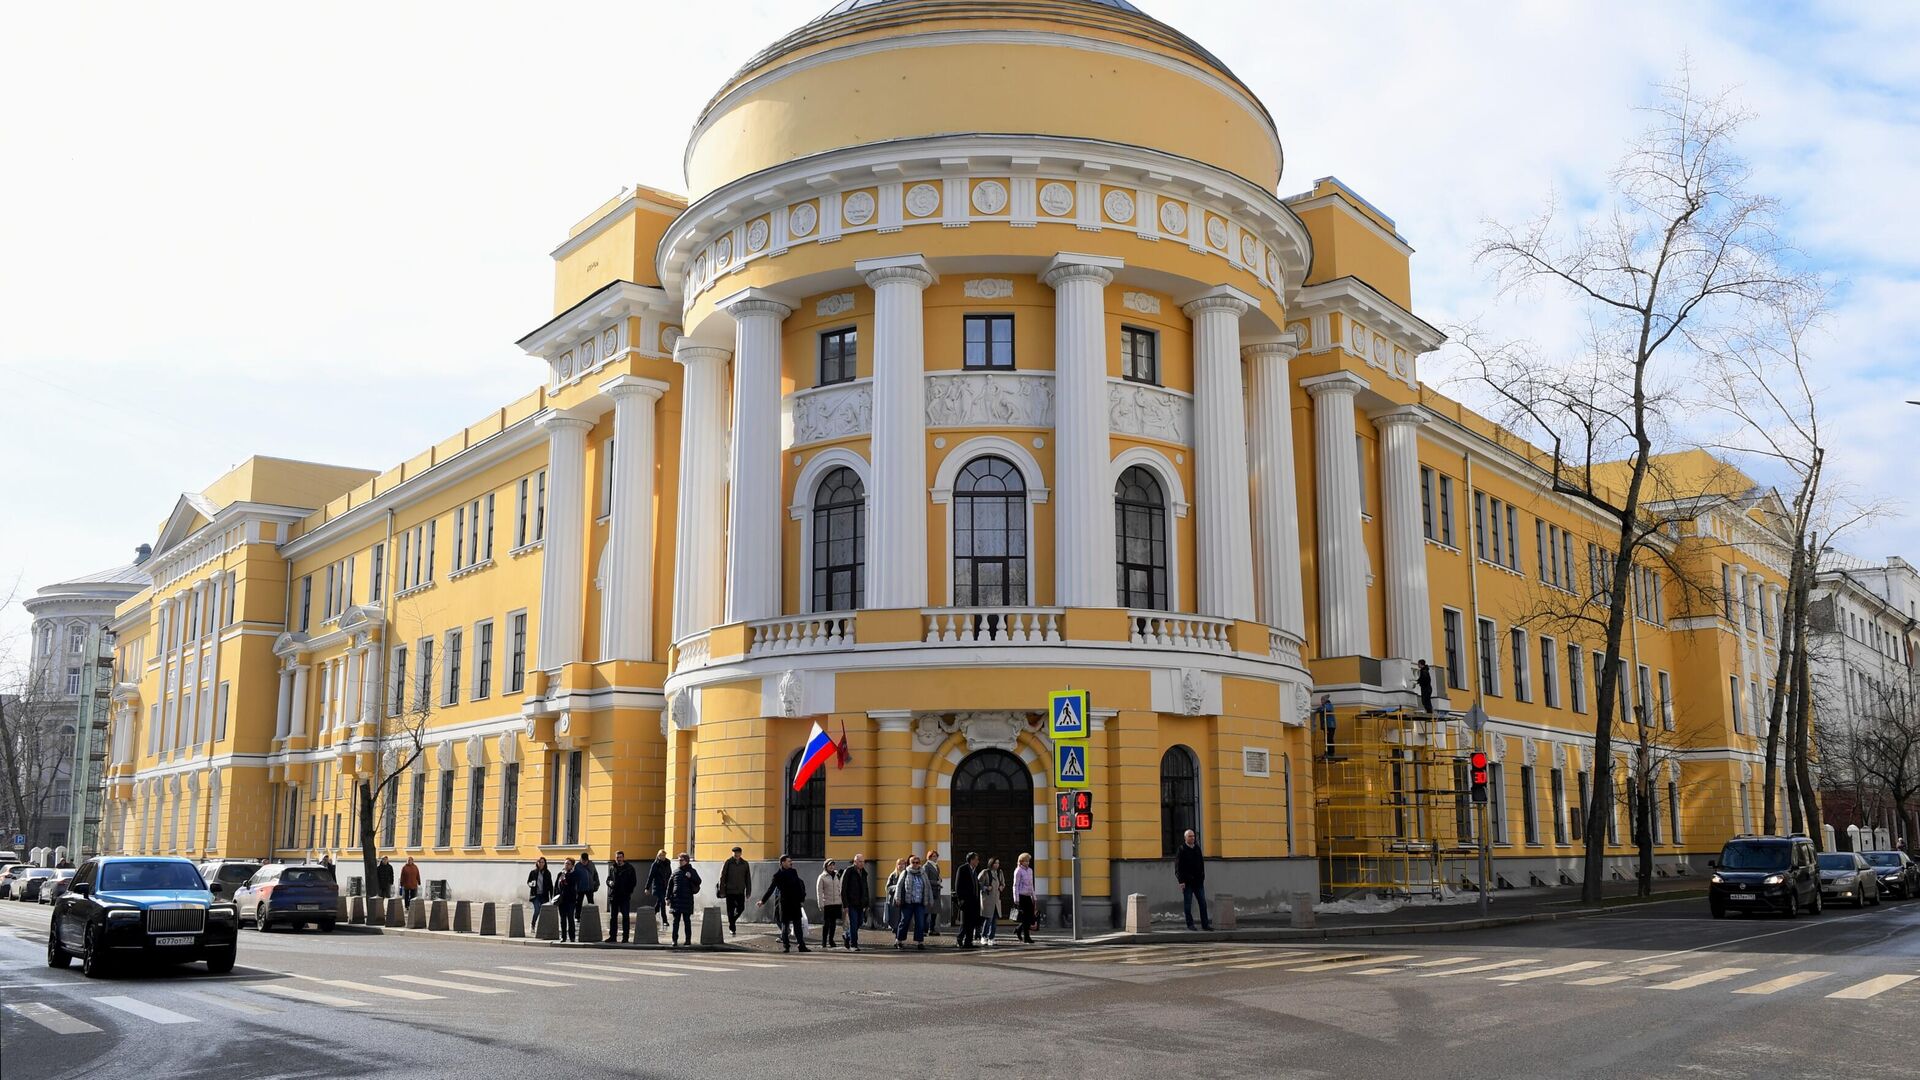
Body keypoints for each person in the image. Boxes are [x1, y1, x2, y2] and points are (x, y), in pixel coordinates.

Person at [758, 854, 810, 953]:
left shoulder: (793, 872)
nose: (791, 863)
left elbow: (798, 886)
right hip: (785, 903)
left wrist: (801, 899)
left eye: (791, 861)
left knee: (798, 926)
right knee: (785, 926)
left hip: (795, 902)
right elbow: (771, 889)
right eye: (789, 861)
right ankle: (786, 946)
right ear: (783, 862)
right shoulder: (777, 875)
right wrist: (763, 901)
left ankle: (801, 946)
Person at [1175, 828, 1212, 931]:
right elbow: (1178, 867)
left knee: (1203, 903)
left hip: (1198, 882)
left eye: (1193, 836)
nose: (1192, 838)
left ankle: (1205, 925)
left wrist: (1202, 876)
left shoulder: (1197, 848)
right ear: (1185, 838)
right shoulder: (1182, 849)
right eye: (1190, 836)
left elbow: (1201, 864)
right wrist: (1181, 881)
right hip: (1187, 882)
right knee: (1188, 904)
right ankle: (1190, 924)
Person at [892, 853, 931, 950]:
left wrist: (930, 899)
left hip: (920, 903)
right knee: (904, 921)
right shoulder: (905, 872)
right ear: (910, 863)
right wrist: (897, 898)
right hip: (908, 902)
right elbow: (899, 886)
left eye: (917, 862)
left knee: (920, 922)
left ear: (919, 863)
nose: (915, 864)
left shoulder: (923, 873)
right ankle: (899, 941)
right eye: (913, 862)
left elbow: (928, 886)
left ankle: (920, 942)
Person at [667, 853, 701, 947]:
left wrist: (691, 877)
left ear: (686, 861)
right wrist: (668, 898)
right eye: (679, 860)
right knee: (675, 922)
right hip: (676, 900)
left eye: (681, 860)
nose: (680, 862)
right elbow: (670, 886)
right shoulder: (676, 872)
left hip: (687, 900)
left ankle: (688, 940)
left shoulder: (692, 871)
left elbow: (699, 881)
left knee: (687, 921)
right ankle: (674, 940)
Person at [606, 850, 639, 943]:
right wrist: (609, 883)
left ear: (623, 858)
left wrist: (628, 892)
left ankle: (625, 938)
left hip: (624, 896)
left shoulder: (629, 868)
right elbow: (608, 879)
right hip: (614, 896)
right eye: (617, 857)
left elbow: (633, 882)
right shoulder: (612, 867)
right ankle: (613, 937)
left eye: (620, 857)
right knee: (613, 917)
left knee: (625, 917)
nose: (619, 859)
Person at [840, 854, 870, 951]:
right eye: (860, 861)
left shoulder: (864, 873)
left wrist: (867, 903)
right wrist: (845, 904)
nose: (862, 863)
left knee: (859, 922)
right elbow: (843, 889)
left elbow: (866, 889)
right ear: (855, 862)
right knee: (853, 923)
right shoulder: (849, 871)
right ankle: (854, 944)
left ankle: (847, 935)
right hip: (851, 903)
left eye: (863, 862)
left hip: (861, 903)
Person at [720, 846, 753, 935]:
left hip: (740, 890)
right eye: (734, 853)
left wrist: (748, 891)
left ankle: (732, 920)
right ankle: (732, 928)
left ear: (741, 853)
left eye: (738, 853)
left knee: (741, 908)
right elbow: (722, 876)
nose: (736, 854)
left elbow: (748, 878)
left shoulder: (745, 864)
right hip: (730, 890)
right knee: (730, 910)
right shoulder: (728, 862)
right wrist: (722, 891)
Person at [953, 852, 981, 948]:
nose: (978, 861)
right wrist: (960, 899)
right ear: (971, 860)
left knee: (972, 922)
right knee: (965, 922)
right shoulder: (963, 869)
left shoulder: (974, 870)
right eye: (976, 859)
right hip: (965, 900)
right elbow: (958, 885)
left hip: (974, 901)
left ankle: (968, 941)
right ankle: (960, 938)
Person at [816, 859, 843, 950]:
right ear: (826, 866)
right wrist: (820, 904)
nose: (832, 867)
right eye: (830, 865)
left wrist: (841, 901)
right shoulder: (822, 877)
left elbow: (840, 888)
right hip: (827, 903)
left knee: (833, 923)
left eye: (833, 865)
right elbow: (819, 892)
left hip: (836, 903)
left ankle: (831, 940)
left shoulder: (837, 875)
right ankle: (824, 941)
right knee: (826, 923)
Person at [978, 857, 1005, 945]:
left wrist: (1001, 887)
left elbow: (1003, 883)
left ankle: (991, 937)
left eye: (998, 863)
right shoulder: (985, 872)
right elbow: (978, 883)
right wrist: (986, 888)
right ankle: (983, 936)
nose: (997, 865)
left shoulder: (999, 872)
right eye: (995, 863)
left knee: (994, 921)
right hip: (987, 900)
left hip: (996, 900)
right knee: (988, 919)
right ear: (991, 863)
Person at [1012, 852, 1037, 944]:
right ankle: (1027, 937)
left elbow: (1031, 884)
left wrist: (1034, 896)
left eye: (1028, 861)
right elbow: (1015, 885)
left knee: (1030, 918)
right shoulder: (1018, 871)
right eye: (1026, 861)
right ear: (1021, 861)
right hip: (1021, 896)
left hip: (1028, 896)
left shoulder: (1030, 870)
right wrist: (1016, 898)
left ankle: (1018, 929)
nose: (1027, 863)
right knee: (1025, 918)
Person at [554, 857, 580, 943]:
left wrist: (566, 878)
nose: (566, 865)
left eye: (568, 864)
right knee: (562, 919)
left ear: (572, 866)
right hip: (561, 900)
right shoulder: (560, 874)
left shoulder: (574, 874)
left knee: (570, 918)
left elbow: (572, 885)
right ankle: (563, 937)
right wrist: (555, 897)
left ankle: (572, 937)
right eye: (565, 863)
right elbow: (556, 886)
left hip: (570, 900)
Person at [527, 857, 554, 930]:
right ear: (537, 863)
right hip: (535, 895)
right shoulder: (533, 872)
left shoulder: (547, 873)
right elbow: (528, 881)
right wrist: (530, 884)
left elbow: (550, 885)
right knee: (537, 910)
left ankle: (543, 927)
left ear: (545, 863)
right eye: (540, 862)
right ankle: (533, 924)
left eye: (543, 862)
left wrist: (552, 896)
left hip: (544, 895)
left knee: (543, 911)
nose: (541, 864)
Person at [884, 857, 908, 936]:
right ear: (896, 865)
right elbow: (887, 888)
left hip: (904, 899)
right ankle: (896, 931)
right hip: (894, 900)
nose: (901, 866)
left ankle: (900, 934)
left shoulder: (908, 875)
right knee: (895, 918)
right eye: (899, 864)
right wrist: (897, 887)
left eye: (903, 864)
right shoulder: (893, 875)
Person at [647, 849, 672, 926]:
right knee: (662, 903)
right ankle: (665, 920)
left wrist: (671, 884)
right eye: (661, 855)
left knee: (659, 903)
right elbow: (650, 876)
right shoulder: (655, 864)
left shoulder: (668, 863)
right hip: (658, 886)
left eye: (664, 855)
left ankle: (651, 915)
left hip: (665, 886)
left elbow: (670, 874)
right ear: (658, 856)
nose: (663, 857)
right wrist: (647, 888)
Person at [923, 849, 944, 936]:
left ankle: (932, 929)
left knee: (934, 912)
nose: (936, 858)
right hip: (929, 892)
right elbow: (925, 879)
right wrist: (936, 882)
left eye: (936, 856)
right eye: (934, 856)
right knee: (927, 912)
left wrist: (940, 880)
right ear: (929, 857)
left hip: (936, 891)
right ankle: (924, 930)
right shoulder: (926, 866)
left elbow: (937, 876)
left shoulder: (936, 866)